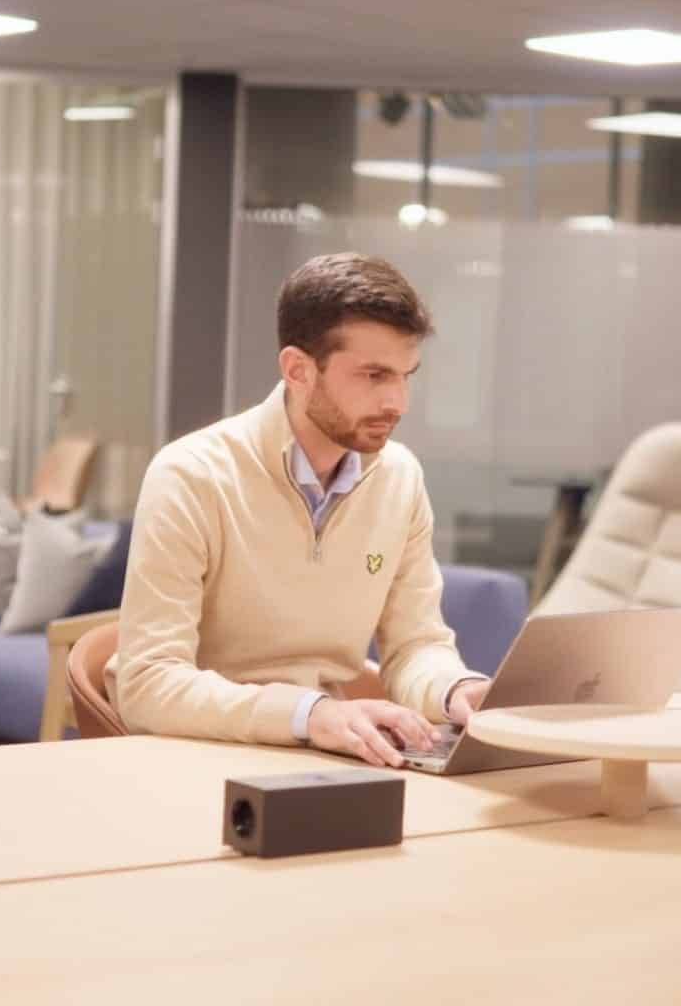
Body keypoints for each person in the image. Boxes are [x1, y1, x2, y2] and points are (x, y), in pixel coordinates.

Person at [106, 252, 490, 767]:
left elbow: (415, 644)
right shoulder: (191, 474)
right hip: (198, 752)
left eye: (405, 375)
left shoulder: (399, 477)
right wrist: (307, 713)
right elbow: (149, 684)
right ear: (297, 369)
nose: (397, 402)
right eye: (374, 375)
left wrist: (454, 690)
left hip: (325, 753)